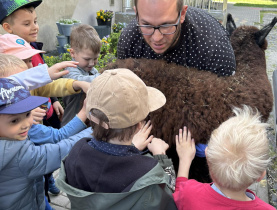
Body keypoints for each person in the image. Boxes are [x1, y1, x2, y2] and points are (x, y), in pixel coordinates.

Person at [57, 68, 177, 210]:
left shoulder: (77, 151)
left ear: (90, 116)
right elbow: (169, 194)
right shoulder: (147, 171)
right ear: (140, 125)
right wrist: (161, 157)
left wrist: (130, 149)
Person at [0, 0, 64, 195]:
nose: (35, 27)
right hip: (29, 120)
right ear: (8, 27)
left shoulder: (33, 48)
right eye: (27, 24)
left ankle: (48, 180)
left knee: (47, 151)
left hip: (44, 113)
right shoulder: (7, 57)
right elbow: (11, 88)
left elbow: (43, 82)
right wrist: (24, 113)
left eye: (35, 21)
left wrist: (53, 99)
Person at [0, 77, 92, 210]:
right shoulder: (19, 156)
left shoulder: (11, 134)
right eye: (14, 121)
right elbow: (61, 150)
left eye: (27, 114)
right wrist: (96, 130)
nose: (26, 124)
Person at [173, 105, 276, 209]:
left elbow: (179, 195)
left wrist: (184, 160)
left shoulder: (189, 194)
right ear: (261, 175)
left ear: (207, 158)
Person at [117, 0, 236, 77]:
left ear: (182, 14)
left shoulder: (215, 48)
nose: (157, 38)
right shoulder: (129, 40)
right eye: (147, 25)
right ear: (136, 14)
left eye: (166, 25)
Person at [61, 24, 101, 126]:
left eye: (95, 58)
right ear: (73, 53)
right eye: (87, 59)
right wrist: (104, 77)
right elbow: (78, 80)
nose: (92, 63)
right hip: (71, 124)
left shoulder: (92, 71)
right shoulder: (69, 70)